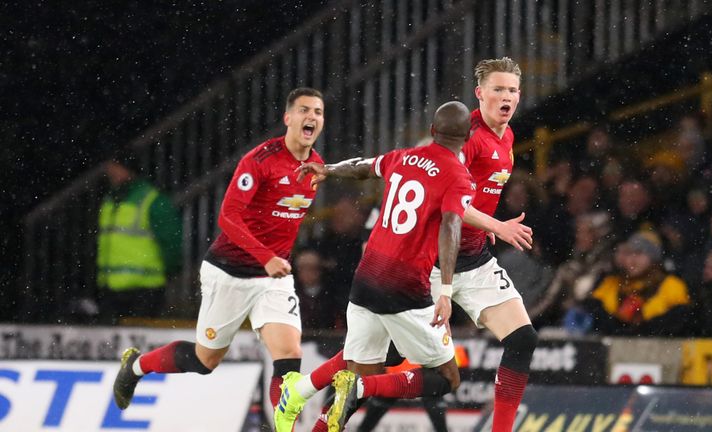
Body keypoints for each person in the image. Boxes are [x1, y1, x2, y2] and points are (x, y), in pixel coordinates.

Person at [277, 57, 538, 432]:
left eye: (512, 90)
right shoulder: (470, 139)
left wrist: (485, 224)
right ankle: (311, 397)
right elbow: (450, 200)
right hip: (432, 264)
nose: (506, 96)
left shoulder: (507, 137)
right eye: (497, 89)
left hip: (475, 259)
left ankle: (303, 390)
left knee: (523, 339)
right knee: (379, 361)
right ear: (480, 94)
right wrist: (494, 222)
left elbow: (455, 197)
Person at [111, 87, 326, 411]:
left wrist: (272, 260)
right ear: (288, 118)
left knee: (289, 354)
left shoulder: (317, 167)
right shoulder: (260, 160)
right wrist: (265, 256)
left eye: (318, 112)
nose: (312, 116)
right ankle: (137, 366)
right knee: (205, 359)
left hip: (273, 278)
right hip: (229, 272)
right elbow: (228, 217)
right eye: (304, 110)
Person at [97, 150, 182, 323]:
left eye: (115, 167)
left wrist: (171, 270)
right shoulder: (111, 200)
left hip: (144, 289)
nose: (110, 172)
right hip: (111, 288)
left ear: (128, 169)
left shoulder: (152, 201)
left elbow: (172, 243)